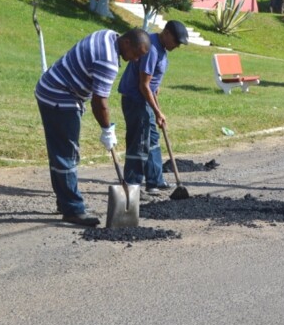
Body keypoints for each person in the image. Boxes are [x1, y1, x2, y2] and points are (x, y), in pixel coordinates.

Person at [35, 28, 151, 226]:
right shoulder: (108, 61)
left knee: (60, 152)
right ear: (127, 43)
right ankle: (73, 209)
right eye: (136, 54)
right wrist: (107, 130)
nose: (135, 60)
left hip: (52, 89)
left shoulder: (107, 34)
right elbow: (100, 102)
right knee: (67, 154)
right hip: (60, 97)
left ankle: (64, 201)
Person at [118, 20, 189, 195]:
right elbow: (144, 85)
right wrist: (157, 111)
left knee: (153, 139)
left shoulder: (161, 48)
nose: (177, 46)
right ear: (166, 33)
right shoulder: (151, 49)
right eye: (177, 42)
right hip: (136, 100)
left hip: (146, 100)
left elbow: (153, 85)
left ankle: (155, 181)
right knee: (139, 142)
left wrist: (157, 109)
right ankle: (132, 186)